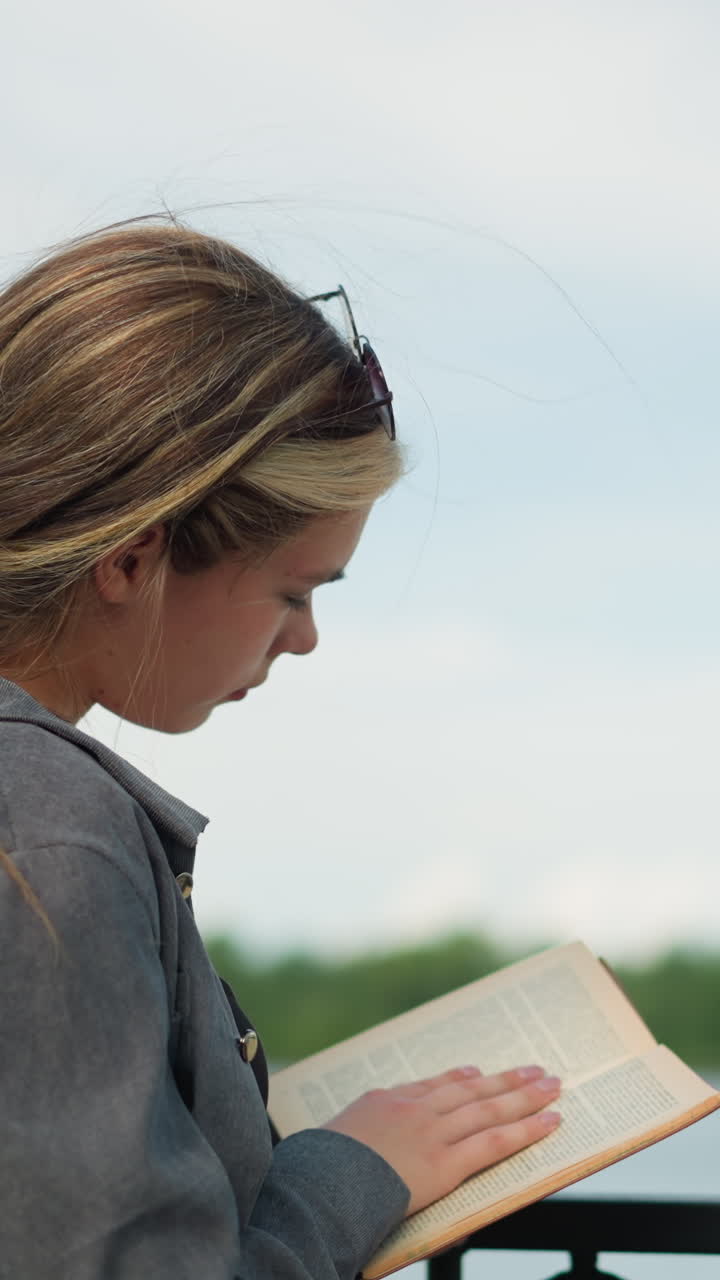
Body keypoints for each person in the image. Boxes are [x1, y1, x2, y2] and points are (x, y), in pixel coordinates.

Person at [0, 220, 562, 1280]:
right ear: (134, 557)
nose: (303, 638)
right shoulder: (46, 831)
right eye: (294, 591)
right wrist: (351, 1169)